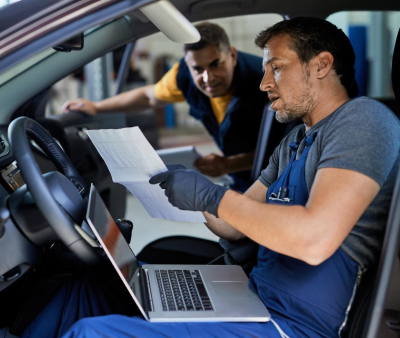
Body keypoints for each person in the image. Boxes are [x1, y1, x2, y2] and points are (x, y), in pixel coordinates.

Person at [23, 17, 400, 338]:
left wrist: (211, 197)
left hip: (291, 327)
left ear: (321, 65)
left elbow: (315, 240)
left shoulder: (364, 120)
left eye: (277, 68)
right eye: (266, 69)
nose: (264, 82)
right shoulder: (297, 140)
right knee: (83, 291)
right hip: (253, 299)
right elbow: (230, 227)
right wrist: (185, 187)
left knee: (93, 334)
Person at [62, 22, 267, 192]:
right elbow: (148, 97)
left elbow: (284, 148)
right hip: (240, 178)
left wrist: (228, 164)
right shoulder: (183, 73)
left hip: (274, 177)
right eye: (198, 68)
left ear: (232, 55)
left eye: (215, 64)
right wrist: (96, 107)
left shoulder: (265, 83)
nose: (208, 78)